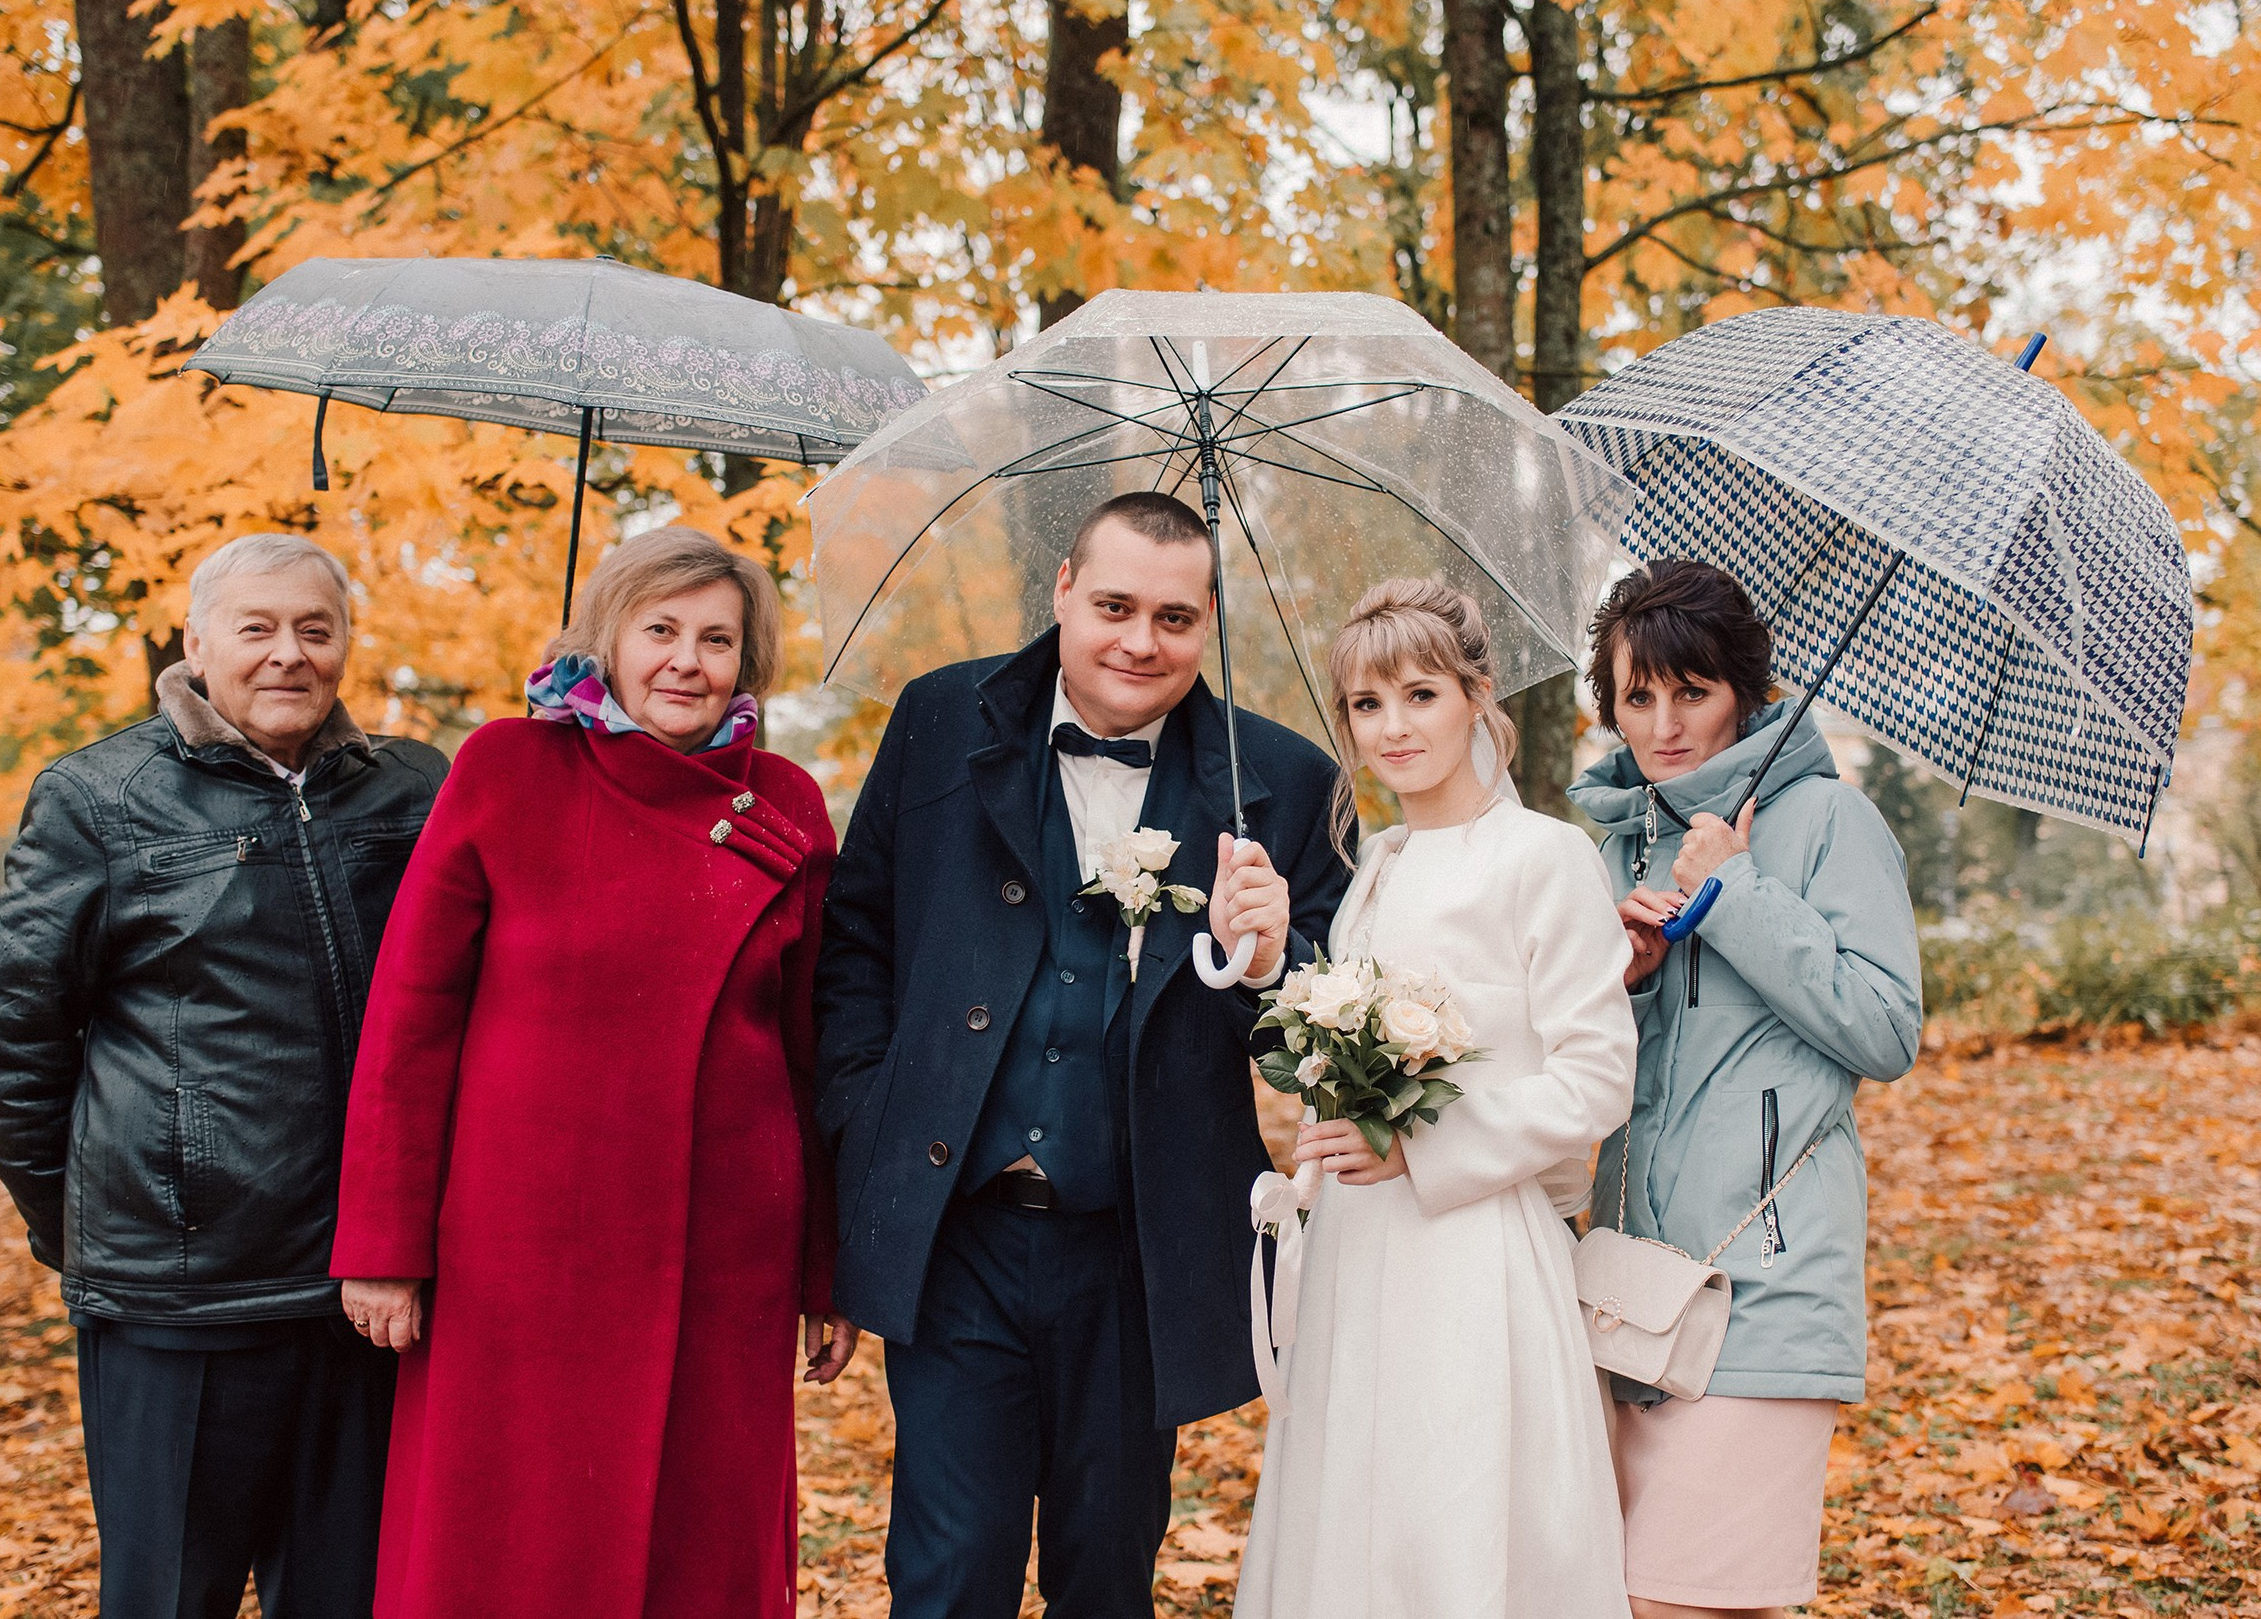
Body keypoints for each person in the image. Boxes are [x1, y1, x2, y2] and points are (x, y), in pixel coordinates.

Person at [816, 490, 1352, 1617]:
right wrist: (868, 1115)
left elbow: (1332, 1038)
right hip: (958, 1227)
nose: (1138, 641)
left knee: (1106, 1574)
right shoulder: (938, 719)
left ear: (1208, 620)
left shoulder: (1283, 782)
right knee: (947, 1570)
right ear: (1061, 589)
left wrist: (1271, 953)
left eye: (1172, 616)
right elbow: (856, 938)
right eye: (1112, 605)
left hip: (1139, 1249)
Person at [330, 526, 848, 1619]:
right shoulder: (507, 768)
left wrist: (824, 1268)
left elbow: (818, 1052)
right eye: (659, 629)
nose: (685, 660)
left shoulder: (786, 801)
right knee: (505, 1537)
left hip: (725, 1253)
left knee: (698, 1546)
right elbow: (411, 1016)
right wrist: (382, 1244)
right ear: (605, 639)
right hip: (517, 1251)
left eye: (716, 638)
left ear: (746, 662)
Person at [0, 533, 448, 1619]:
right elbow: (9, 1033)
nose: (289, 654)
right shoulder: (101, 795)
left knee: (353, 1596)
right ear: (197, 642)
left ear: (346, 645)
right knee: (168, 1593)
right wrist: (87, 1218)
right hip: (179, 1295)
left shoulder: (418, 787)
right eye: (258, 627)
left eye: (315, 630)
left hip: (370, 1292)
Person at [1235, 577, 1637, 1618]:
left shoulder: (1544, 856)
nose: (1393, 726)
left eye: (1418, 693)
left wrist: (1425, 1150)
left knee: (1456, 1519)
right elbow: (1346, 1044)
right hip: (1355, 1249)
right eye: (1367, 705)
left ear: (1476, 694)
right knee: (1350, 1522)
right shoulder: (1373, 864)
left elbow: (1598, 1073)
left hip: (1476, 1252)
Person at [1568, 559, 1923, 1619]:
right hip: (1624, 1290)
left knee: (1675, 1601)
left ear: (1744, 690)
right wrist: (1620, 982)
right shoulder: (1614, 840)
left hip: (1761, 1290)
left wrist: (1734, 891)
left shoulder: (1826, 821)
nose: (1665, 723)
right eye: (1639, 695)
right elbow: (1594, 1073)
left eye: (1693, 690)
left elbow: (1883, 1024)